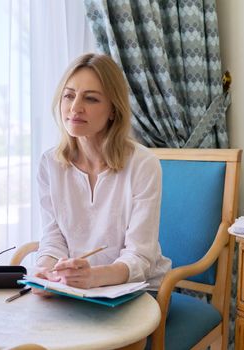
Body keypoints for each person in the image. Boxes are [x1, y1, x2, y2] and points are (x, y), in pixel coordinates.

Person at [34, 53, 171, 294]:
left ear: (113, 110)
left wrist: (94, 278)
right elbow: (54, 240)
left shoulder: (143, 164)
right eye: (69, 95)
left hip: (136, 288)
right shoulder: (49, 163)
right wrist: (45, 270)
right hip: (77, 288)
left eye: (91, 99)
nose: (75, 108)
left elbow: (140, 256)